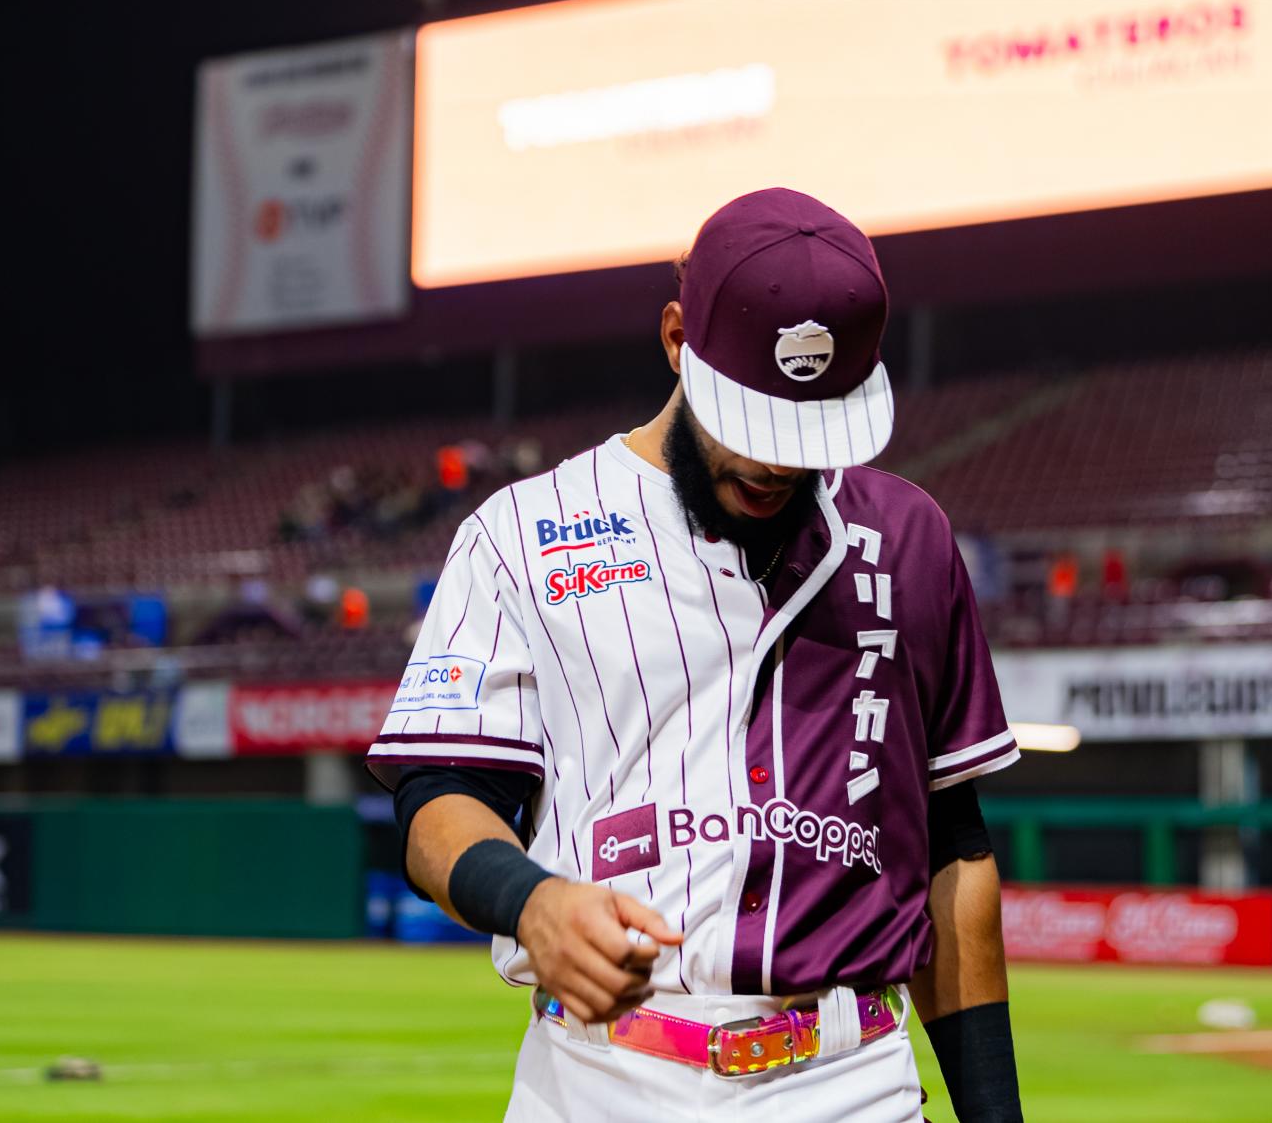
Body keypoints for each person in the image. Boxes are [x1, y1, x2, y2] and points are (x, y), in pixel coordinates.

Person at [368, 189, 1022, 1122]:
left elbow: (954, 850)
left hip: (847, 1080)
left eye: (810, 431)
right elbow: (436, 797)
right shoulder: (519, 534)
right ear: (678, 339)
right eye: (754, 422)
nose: (777, 468)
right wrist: (530, 898)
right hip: (599, 1078)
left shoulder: (908, 536)